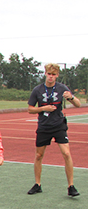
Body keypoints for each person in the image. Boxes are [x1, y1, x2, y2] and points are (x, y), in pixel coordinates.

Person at [27, 63, 81, 197]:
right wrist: (43, 108)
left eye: (53, 74)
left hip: (59, 125)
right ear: (45, 74)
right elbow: (30, 109)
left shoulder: (62, 88)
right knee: (39, 155)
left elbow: (78, 104)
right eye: (49, 74)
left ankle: (71, 186)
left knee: (66, 154)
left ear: (57, 75)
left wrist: (71, 98)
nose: (51, 77)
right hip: (44, 126)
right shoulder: (37, 90)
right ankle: (37, 184)